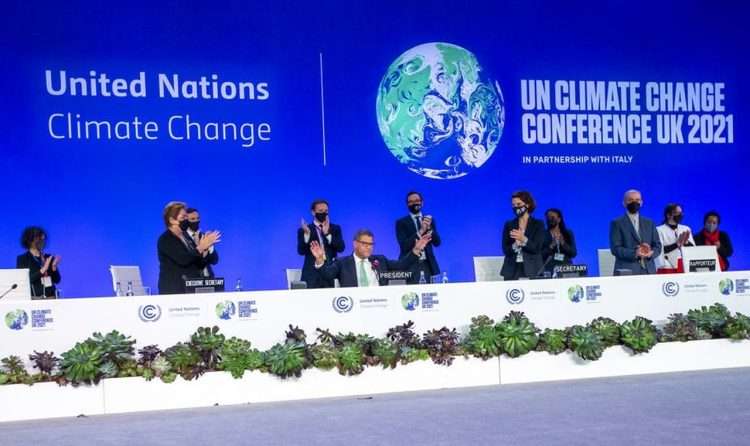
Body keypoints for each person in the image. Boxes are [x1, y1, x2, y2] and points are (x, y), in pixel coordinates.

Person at [310, 229, 430, 287]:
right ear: (355, 244)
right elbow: (327, 275)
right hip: (353, 306)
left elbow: (402, 265)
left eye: (371, 244)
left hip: (380, 304)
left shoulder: (380, 260)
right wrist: (320, 259)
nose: (369, 248)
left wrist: (416, 250)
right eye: (365, 244)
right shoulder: (342, 263)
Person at [157, 201, 221, 295]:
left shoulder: (186, 238)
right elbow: (183, 260)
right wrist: (201, 247)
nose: (186, 221)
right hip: (173, 292)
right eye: (183, 217)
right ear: (172, 220)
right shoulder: (166, 239)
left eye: (186, 217)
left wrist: (206, 248)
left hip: (190, 290)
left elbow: (197, 263)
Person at [609, 189, 662, 275]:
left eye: (637, 200)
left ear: (641, 203)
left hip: (649, 271)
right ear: (624, 203)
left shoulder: (649, 223)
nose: (634, 202)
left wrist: (650, 253)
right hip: (627, 271)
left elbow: (658, 246)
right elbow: (615, 249)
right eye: (630, 200)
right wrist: (635, 253)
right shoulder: (617, 223)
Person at [297, 199, 345, 288]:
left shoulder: (335, 228)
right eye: (320, 211)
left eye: (326, 211)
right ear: (313, 212)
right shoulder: (305, 230)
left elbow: (341, 248)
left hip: (330, 271)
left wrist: (327, 234)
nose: (323, 213)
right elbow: (301, 251)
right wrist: (307, 235)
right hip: (311, 273)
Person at [396, 191, 442, 284]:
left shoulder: (429, 220)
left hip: (428, 265)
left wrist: (429, 228)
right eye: (411, 202)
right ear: (407, 204)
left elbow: (437, 243)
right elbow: (404, 246)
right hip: (409, 265)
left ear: (422, 202)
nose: (414, 203)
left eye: (417, 200)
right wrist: (421, 231)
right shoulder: (401, 223)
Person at [500, 191, 545, 280]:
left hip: (533, 269)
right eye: (513, 205)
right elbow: (505, 250)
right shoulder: (509, 224)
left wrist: (523, 239)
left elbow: (537, 248)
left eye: (519, 204)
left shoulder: (538, 224)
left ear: (527, 205)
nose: (516, 207)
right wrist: (515, 245)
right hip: (512, 269)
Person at [16, 226, 61, 299]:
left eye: (43, 239)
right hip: (35, 299)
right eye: (40, 239)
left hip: (51, 298)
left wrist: (54, 267)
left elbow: (57, 280)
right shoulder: (23, 259)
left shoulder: (48, 257)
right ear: (30, 240)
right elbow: (25, 281)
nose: (42, 242)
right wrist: (43, 270)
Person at [655, 203, 695, 271]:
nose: (680, 215)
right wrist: (676, 244)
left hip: (684, 264)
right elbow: (660, 250)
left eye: (681, 213)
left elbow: (693, 248)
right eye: (676, 213)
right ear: (668, 215)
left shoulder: (686, 228)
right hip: (667, 266)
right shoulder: (659, 230)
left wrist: (685, 242)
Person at [185, 207, 219, 278]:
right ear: (186, 221)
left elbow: (215, 261)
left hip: (209, 280)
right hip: (191, 280)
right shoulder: (183, 238)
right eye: (193, 219)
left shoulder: (204, 237)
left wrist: (210, 246)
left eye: (198, 218)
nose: (196, 221)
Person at [541, 208, 577, 275]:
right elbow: (540, 255)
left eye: (552, 217)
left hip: (566, 268)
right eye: (548, 217)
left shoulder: (568, 233)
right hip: (549, 269)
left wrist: (563, 243)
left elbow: (573, 253)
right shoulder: (542, 234)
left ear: (559, 219)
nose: (549, 219)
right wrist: (551, 246)